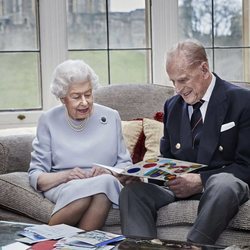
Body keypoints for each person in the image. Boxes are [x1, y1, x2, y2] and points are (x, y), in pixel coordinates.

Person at [119, 39, 250, 245]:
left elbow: (246, 166)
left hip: (217, 190)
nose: (178, 89)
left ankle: (193, 247)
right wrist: (142, 177)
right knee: (132, 193)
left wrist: (201, 181)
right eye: (173, 82)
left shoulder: (242, 101)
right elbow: (167, 161)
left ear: (204, 69)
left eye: (183, 80)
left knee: (224, 183)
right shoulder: (172, 106)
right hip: (177, 189)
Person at [28, 59, 133, 230]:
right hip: (63, 184)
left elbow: (126, 165)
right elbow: (36, 175)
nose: (84, 102)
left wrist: (108, 171)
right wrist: (66, 175)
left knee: (103, 186)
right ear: (62, 98)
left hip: (104, 182)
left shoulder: (111, 116)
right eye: (76, 96)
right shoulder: (48, 120)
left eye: (88, 94)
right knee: (95, 191)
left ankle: (43, 241)